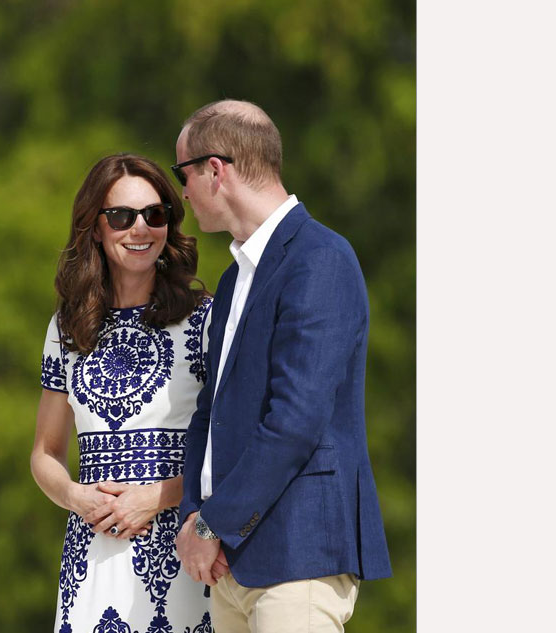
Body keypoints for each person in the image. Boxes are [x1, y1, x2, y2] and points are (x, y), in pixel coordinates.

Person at [172, 100, 393, 632]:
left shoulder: (320, 258)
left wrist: (213, 524)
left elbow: (296, 420)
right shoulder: (232, 280)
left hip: (300, 559)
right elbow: (212, 410)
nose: (182, 192)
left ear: (215, 171)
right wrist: (193, 517)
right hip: (228, 567)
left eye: (184, 174)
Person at [30, 154, 215, 633]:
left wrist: (156, 497)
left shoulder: (204, 320)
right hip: (93, 555)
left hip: (182, 551)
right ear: (95, 227)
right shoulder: (67, 327)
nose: (140, 229)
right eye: (121, 216)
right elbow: (45, 454)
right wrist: (75, 497)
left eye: (155, 215)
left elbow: (228, 449)